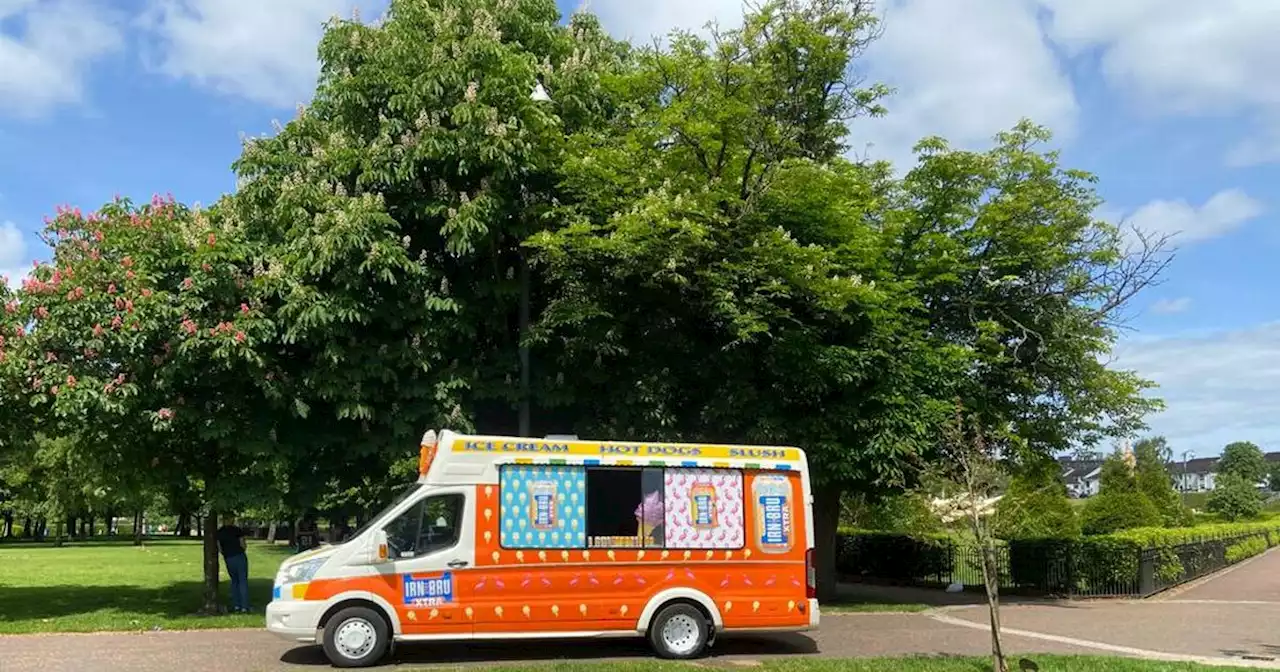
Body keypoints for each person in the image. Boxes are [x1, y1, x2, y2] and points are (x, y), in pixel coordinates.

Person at [216, 514, 250, 613]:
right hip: (239, 556)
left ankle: (236, 605)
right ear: (230, 519)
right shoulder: (237, 530)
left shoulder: (220, 532)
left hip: (228, 558)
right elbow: (243, 544)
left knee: (234, 581)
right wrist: (242, 549)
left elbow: (219, 548)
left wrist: (226, 554)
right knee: (242, 581)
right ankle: (244, 606)